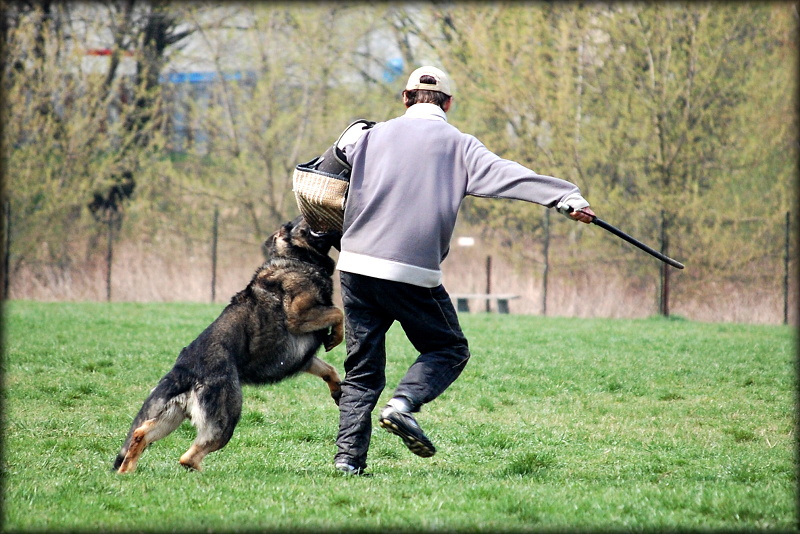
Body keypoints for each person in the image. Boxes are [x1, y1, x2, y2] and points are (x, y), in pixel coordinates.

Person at [332, 66, 595, 475]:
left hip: (356, 266)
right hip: (411, 271)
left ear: (405, 99)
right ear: (449, 104)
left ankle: (348, 460)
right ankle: (402, 406)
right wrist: (564, 197)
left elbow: (325, 169)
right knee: (449, 348)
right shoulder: (460, 145)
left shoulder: (369, 135)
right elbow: (510, 176)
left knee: (363, 369)